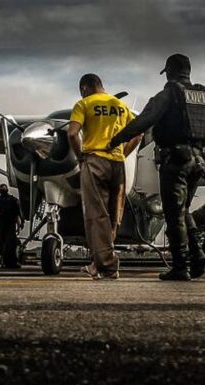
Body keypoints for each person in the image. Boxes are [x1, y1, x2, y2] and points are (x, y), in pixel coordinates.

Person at [109, 54, 205, 281]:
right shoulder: (204, 95)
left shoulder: (167, 95)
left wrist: (115, 140)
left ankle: (180, 266)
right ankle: (197, 255)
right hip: (197, 161)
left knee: (173, 214)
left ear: (168, 71)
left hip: (174, 160)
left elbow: (142, 122)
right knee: (184, 210)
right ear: (188, 71)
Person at [67, 74, 141, 280]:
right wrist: (123, 154)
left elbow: (72, 134)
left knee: (96, 215)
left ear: (84, 88)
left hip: (94, 161)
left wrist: (80, 156)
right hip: (117, 164)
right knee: (113, 217)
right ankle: (96, 264)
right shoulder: (121, 106)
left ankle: (109, 267)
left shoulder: (83, 104)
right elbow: (138, 134)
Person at [0, 183, 23, 269]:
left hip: (10, 224)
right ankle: (5, 261)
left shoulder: (13, 200)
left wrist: (20, 223)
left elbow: (18, 213)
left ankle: (13, 262)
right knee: (1, 244)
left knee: (10, 244)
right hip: (0, 224)